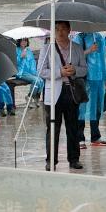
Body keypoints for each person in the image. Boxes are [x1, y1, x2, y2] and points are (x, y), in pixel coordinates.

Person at [38, 19, 86, 170]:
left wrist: (75, 70)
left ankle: (74, 159)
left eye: (63, 29)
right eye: (57, 29)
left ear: (69, 30)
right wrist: (60, 72)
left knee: (73, 127)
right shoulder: (47, 48)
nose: (60, 32)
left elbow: (85, 69)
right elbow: (40, 71)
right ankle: (50, 160)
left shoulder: (77, 48)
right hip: (53, 93)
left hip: (71, 92)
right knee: (52, 127)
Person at [76, 29, 106, 147]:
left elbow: (103, 59)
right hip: (86, 77)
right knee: (83, 108)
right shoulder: (79, 37)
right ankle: (80, 138)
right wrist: (89, 50)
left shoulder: (99, 37)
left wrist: (105, 78)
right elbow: (75, 57)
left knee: (97, 108)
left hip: (99, 78)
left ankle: (95, 136)